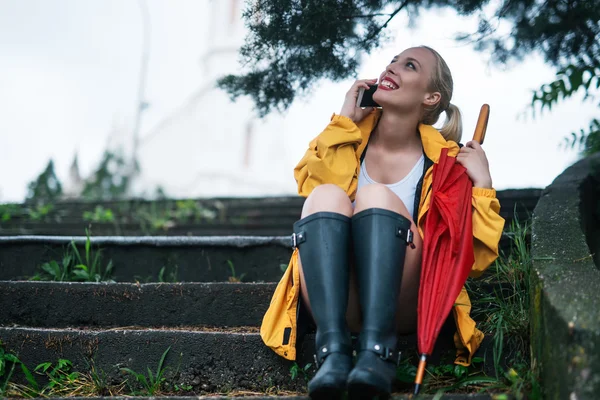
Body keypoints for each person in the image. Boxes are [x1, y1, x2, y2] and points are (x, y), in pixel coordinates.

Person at [260, 46, 505, 399]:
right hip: (336, 300)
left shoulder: (446, 165)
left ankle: (379, 354)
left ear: (430, 96)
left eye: (409, 66)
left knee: (375, 197)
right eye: (392, 60)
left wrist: (481, 185)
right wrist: (344, 120)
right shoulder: (350, 137)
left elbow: (474, 262)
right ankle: (333, 354)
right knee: (326, 196)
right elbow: (312, 190)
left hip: (403, 304)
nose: (392, 68)